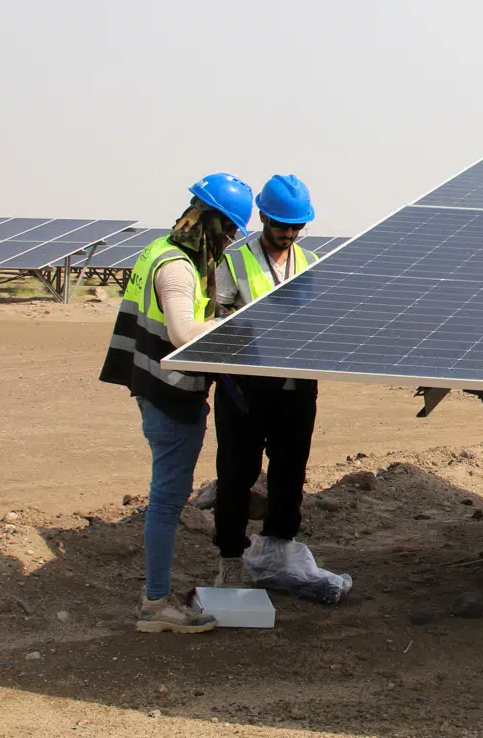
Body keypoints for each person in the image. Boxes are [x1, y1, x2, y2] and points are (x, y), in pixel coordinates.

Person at [99, 173, 254, 633]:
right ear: (209, 220)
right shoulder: (177, 267)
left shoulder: (159, 250)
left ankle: (156, 593)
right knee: (167, 500)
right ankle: (156, 603)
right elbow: (183, 334)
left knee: (166, 497)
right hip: (168, 396)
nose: (228, 243)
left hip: (155, 389)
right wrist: (236, 326)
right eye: (226, 231)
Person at [211, 174, 321, 588]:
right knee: (237, 475)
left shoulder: (311, 263)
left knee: (290, 475)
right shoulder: (234, 262)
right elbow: (217, 321)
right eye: (281, 225)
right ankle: (230, 558)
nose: (288, 234)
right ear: (262, 217)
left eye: (296, 227)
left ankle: (279, 553)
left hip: (296, 391)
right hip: (246, 390)